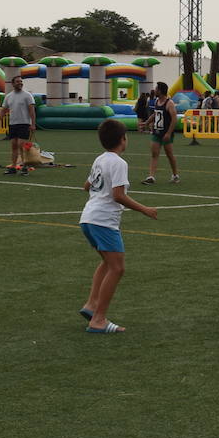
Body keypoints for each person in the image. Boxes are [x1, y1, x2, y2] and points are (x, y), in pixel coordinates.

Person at [78, 119, 159, 333]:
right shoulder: (119, 163)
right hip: (103, 221)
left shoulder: (100, 159)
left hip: (88, 218)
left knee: (107, 263)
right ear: (123, 140)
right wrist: (145, 209)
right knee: (117, 267)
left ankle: (91, 304)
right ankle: (98, 320)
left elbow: (86, 186)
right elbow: (118, 195)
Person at [142, 82, 180, 185]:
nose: (154, 90)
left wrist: (168, 133)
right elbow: (155, 114)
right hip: (156, 132)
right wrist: (147, 122)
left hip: (166, 133)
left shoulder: (169, 103)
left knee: (169, 154)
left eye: (156, 89)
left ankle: (175, 175)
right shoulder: (157, 101)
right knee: (154, 154)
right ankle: (151, 176)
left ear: (161, 90)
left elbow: (174, 119)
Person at [0, 77, 36, 172]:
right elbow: (4, 108)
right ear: (13, 84)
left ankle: (24, 166)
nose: (20, 83)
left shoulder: (27, 95)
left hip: (24, 124)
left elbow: (32, 111)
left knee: (21, 145)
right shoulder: (9, 96)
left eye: (21, 81)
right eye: (17, 82)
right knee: (14, 145)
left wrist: (33, 124)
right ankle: (13, 167)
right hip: (13, 124)